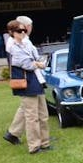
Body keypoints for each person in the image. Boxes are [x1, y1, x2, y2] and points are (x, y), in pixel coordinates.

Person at [4, 19, 51, 154]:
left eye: (24, 30)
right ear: (11, 32)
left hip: (37, 80)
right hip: (27, 83)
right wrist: (37, 63)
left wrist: (36, 62)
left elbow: (37, 56)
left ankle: (45, 143)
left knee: (43, 115)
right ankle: (34, 147)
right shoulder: (13, 47)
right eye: (19, 31)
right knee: (32, 117)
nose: (23, 33)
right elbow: (27, 64)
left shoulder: (26, 43)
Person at [3, 16, 36, 147]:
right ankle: (32, 140)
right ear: (27, 26)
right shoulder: (16, 41)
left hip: (25, 76)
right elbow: (25, 61)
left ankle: (13, 133)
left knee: (25, 107)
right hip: (24, 77)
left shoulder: (17, 39)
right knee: (29, 109)